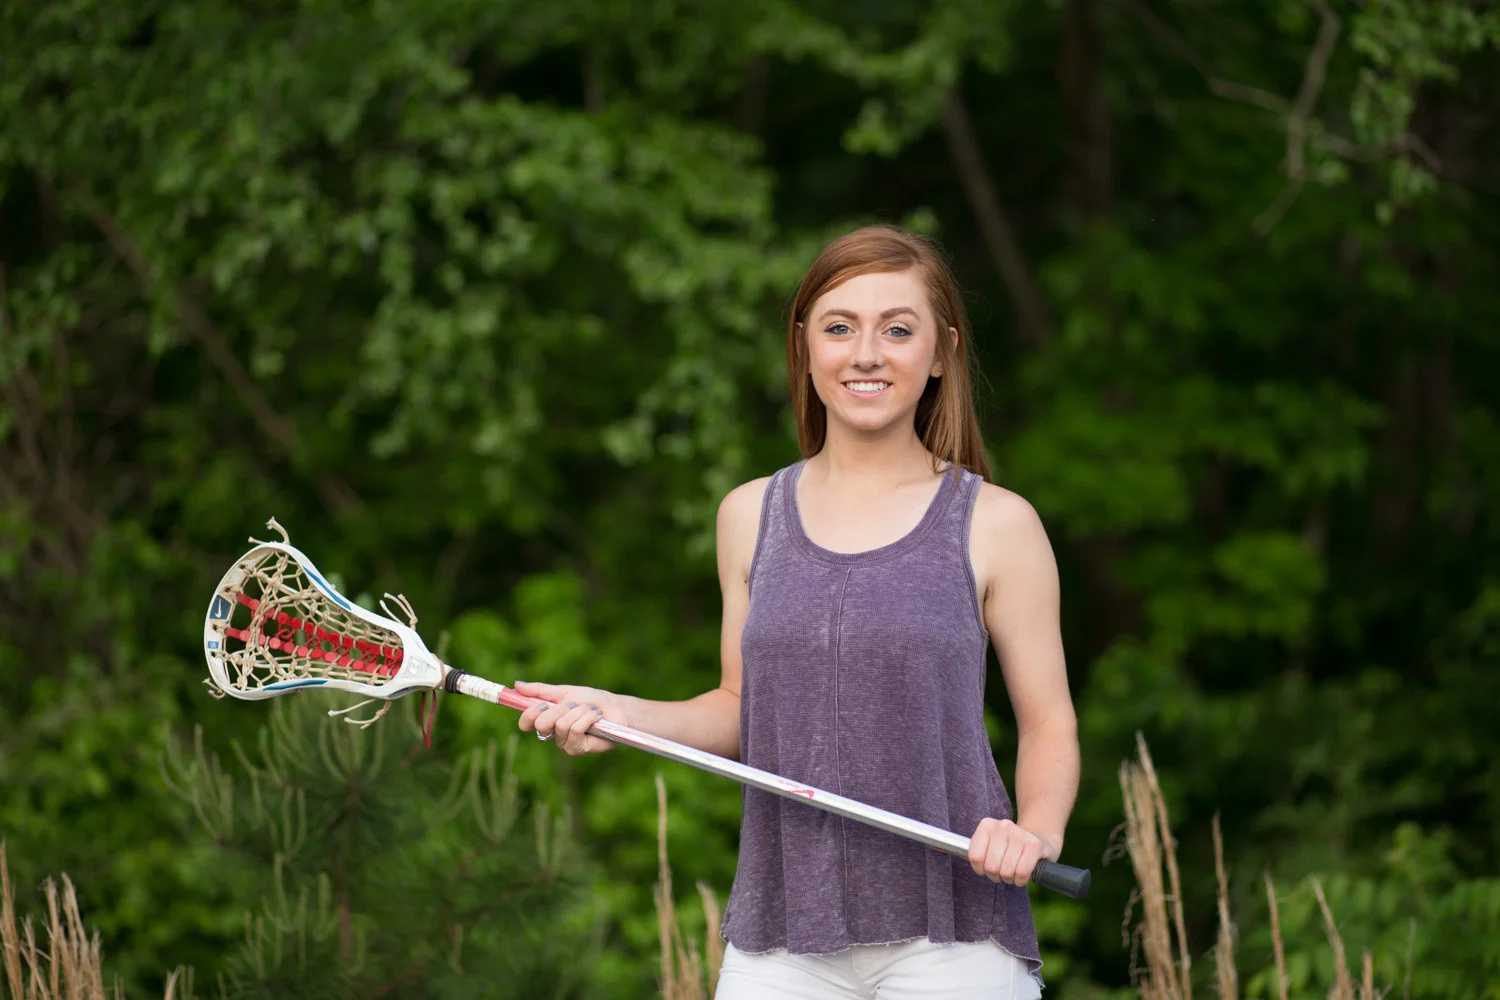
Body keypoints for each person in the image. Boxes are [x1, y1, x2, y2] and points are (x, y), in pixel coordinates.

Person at [515, 224, 1080, 999]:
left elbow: (1047, 721)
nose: (867, 353)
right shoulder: (750, 515)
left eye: (898, 329)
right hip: (782, 939)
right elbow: (739, 709)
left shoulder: (995, 522)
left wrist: (1035, 833)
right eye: (840, 327)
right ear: (805, 347)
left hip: (953, 930)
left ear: (942, 351)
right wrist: (620, 711)